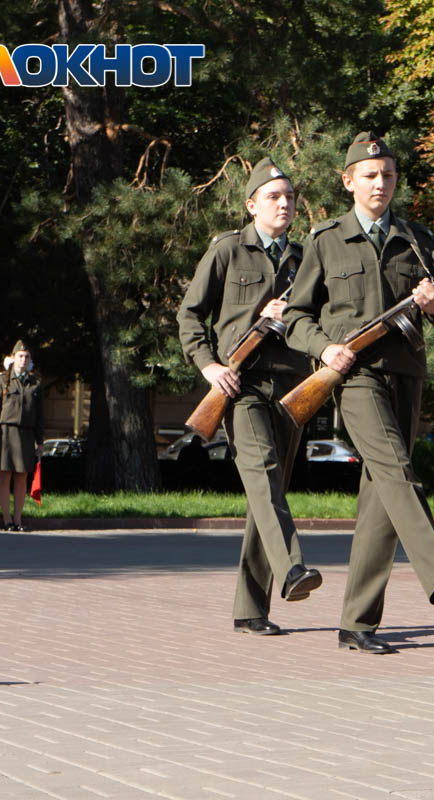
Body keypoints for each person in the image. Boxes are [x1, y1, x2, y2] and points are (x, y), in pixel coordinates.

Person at [284, 131, 434, 655]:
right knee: (397, 472)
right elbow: (294, 317)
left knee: (383, 495)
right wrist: (325, 347)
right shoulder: (325, 239)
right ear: (348, 181)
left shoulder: (418, 239)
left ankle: (357, 622)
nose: (379, 183)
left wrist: (433, 307)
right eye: (368, 175)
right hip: (354, 375)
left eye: (386, 175)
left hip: (406, 374)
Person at [178, 157, 322, 635]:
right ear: (251, 204)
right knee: (261, 475)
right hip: (240, 385)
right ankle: (293, 568)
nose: (284, 204)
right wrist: (210, 367)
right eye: (274, 197)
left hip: (294, 387)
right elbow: (190, 317)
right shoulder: (227, 252)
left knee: (270, 492)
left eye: (290, 197)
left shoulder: (305, 259)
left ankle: (250, 609)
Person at [0, 341, 44, 531]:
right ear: (12, 358)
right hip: (5, 433)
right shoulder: (2, 380)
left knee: (21, 477)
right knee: (5, 476)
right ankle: (7, 519)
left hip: (26, 434)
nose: (23, 360)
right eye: (20, 356)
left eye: (27, 357)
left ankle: (18, 520)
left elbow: (40, 415)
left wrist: (40, 440)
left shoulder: (35, 383)